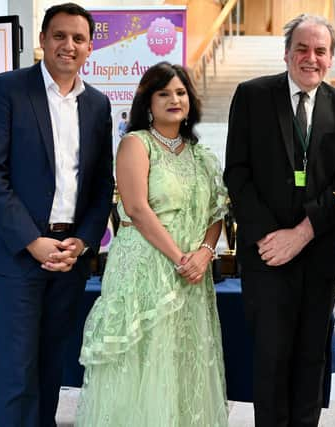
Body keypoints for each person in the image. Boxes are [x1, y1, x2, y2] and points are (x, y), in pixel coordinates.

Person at [0, 3, 114, 426]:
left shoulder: (98, 105)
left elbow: (100, 184)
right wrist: (33, 241)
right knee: (17, 373)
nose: (67, 45)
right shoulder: (7, 89)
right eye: (59, 36)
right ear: (43, 41)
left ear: (90, 47)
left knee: (52, 368)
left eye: (77, 38)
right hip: (18, 254)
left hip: (68, 255)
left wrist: (84, 240)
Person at [223, 14, 335, 427]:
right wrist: (271, 237)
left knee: (311, 354)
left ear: (331, 58)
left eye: (320, 50)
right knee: (270, 354)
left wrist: (301, 234)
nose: (310, 57)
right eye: (302, 48)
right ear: (286, 53)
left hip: (317, 253)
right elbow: (237, 174)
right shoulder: (251, 96)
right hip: (265, 254)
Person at [76, 62, 228, 426]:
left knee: (181, 363)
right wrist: (180, 258)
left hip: (191, 276)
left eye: (181, 92)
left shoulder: (201, 155)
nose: (174, 99)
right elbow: (138, 209)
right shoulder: (135, 143)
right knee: (143, 365)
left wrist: (205, 254)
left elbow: (217, 211)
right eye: (164, 93)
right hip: (145, 268)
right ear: (148, 101)